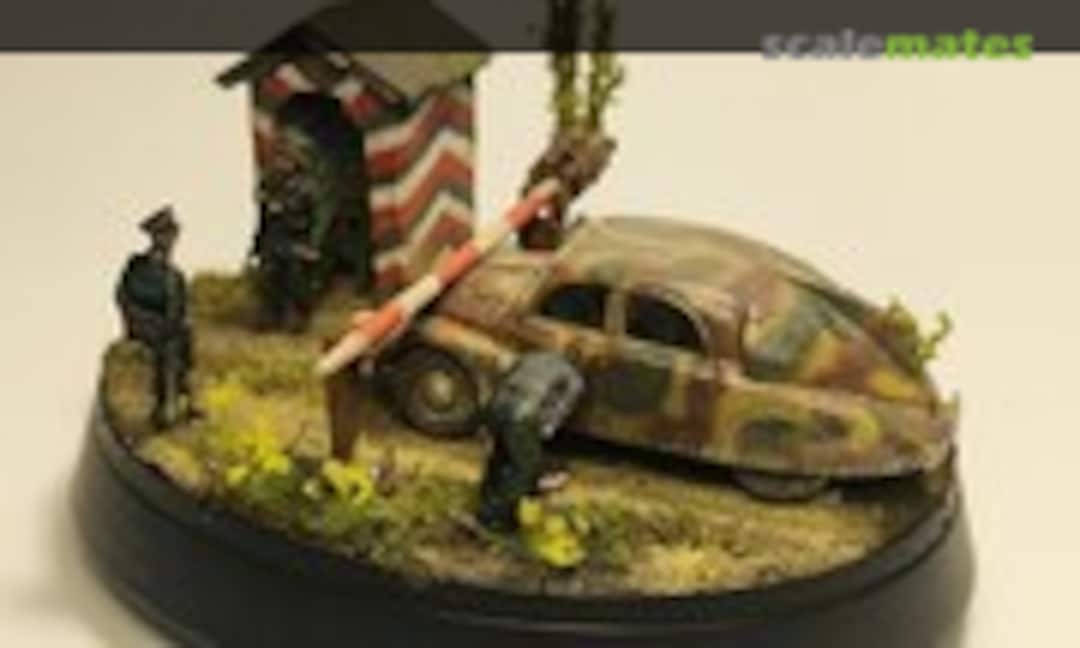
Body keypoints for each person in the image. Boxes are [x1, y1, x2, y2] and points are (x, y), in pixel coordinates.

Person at [477, 352, 584, 531]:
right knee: (524, 469)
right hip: (522, 415)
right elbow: (560, 410)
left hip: (497, 406)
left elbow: (504, 375)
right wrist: (543, 433)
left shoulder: (533, 357)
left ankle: (483, 504)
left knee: (499, 458)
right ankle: (496, 517)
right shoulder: (573, 378)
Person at [115, 206, 199, 429]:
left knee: (182, 340)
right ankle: (162, 409)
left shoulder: (175, 275)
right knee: (167, 347)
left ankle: (185, 399)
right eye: (164, 235)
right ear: (154, 237)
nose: (169, 241)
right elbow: (125, 297)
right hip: (144, 325)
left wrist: (181, 322)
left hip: (168, 329)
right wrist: (144, 320)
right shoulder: (138, 266)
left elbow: (181, 307)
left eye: (172, 236)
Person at [251, 169, 321, 331]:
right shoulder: (269, 187)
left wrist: (284, 209)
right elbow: (264, 223)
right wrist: (258, 245)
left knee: (296, 281)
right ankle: (271, 316)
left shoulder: (304, 187)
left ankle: (296, 317)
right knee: (269, 279)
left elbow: (306, 218)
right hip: (274, 243)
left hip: (296, 241)